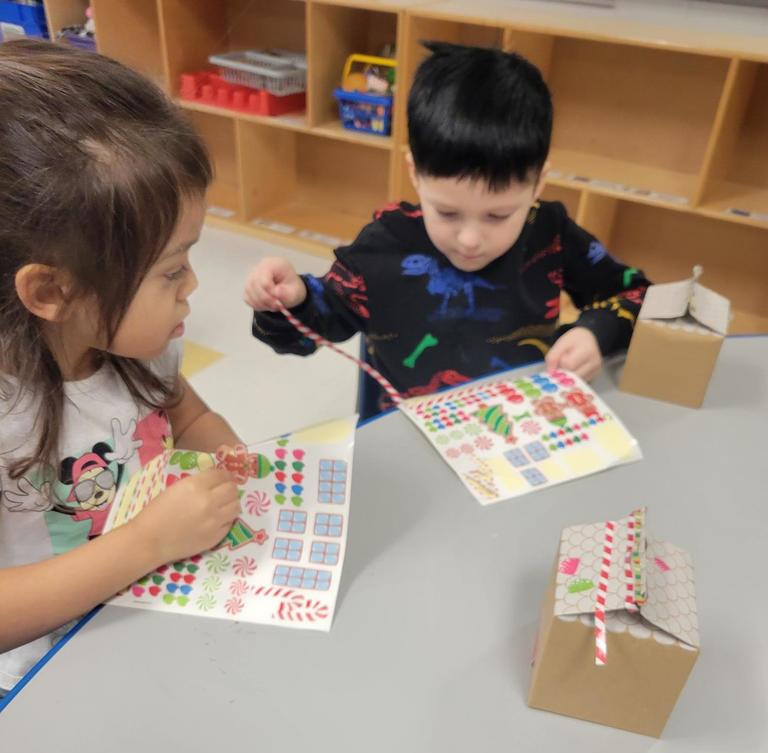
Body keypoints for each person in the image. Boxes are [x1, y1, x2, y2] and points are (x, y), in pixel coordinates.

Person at [0, 40, 241, 691]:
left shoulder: (139, 349)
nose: (192, 287)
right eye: (171, 269)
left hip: (151, 608)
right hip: (39, 674)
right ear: (52, 292)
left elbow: (183, 408)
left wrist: (227, 451)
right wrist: (146, 545)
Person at [245, 42, 649, 417]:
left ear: (538, 183)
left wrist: (595, 333)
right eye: (448, 213)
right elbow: (303, 336)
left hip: (516, 427)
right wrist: (288, 301)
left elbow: (639, 294)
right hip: (407, 438)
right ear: (415, 174)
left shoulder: (550, 232)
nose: (470, 240)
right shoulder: (383, 247)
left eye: (498, 216)